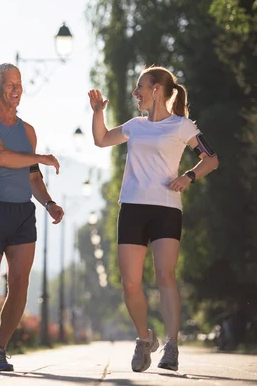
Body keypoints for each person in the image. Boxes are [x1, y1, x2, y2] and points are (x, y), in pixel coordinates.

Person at [88, 66, 219, 372]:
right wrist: (97, 112)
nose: (136, 94)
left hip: (166, 208)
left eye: (140, 88)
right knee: (131, 283)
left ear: (157, 89)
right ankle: (145, 338)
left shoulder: (182, 126)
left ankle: (171, 347)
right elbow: (102, 139)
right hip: (132, 207)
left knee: (165, 276)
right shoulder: (136, 125)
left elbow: (211, 159)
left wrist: (189, 176)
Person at [0, 63, 64, 371]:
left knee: (19, 284)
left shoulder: (28, 132)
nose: (16, 89)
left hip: (22, 212)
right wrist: (41, 157)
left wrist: (49, 203)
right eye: (9, 84)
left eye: (19, 84)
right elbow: (0, 157)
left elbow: (33, 178)